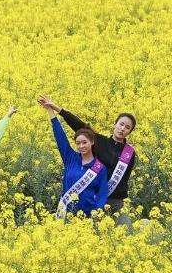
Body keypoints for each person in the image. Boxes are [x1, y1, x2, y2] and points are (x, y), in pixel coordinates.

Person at [38, 95, 137, 224]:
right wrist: (55, 108)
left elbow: (125, 178)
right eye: (121, 124)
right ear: (115, 124)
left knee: (126, 230)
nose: (122, 128)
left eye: (127, 127)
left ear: (130, 131)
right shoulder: (99, 141)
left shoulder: (129, 153)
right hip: (95, 197)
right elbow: (78, 125)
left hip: (117, 201)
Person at [39, 99, 109, 218]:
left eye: (84, 142)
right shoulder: (70, 158)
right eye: (78, 143)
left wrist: (95, 216)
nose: (81, 146)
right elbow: (60, 137)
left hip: (87, 218)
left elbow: (102, 196)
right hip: (66, 215)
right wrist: (50, 111)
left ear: (92, 142)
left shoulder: (100, 168)